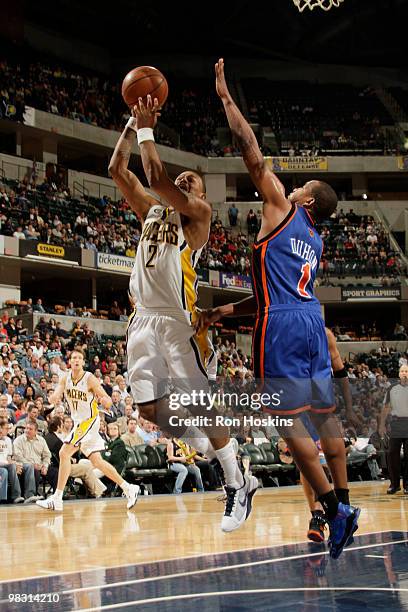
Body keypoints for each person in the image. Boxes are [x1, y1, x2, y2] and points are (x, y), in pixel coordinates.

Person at [198, 59, 360, 558]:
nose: (288, 187)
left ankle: (333, 510)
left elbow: (251, 154)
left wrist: (227, 100)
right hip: (310, 319)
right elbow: (274, 295)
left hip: (285, 328)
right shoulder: (314, 240)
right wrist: (224, 315)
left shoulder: (285, 210)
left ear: (307, 199)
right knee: (325, 419)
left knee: (286, 422)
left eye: (299, 188)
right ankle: (346, 498)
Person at [108, 94, 257, 532]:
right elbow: (118, 171)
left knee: (198, 401)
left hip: (177, 321)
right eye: (185, 177)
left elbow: (154, 174)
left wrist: (148, 127)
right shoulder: (152, 212)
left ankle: (236, 483)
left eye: (193, 180)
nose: (188, 181)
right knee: (151, 412)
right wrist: (131, 126)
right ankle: (221, 452)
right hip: (141, 321)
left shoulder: (197, 216)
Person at [36, 348, 139, 512]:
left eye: (79, 358)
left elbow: (105, 398)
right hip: (78, 422)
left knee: (64, 453)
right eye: (73, 358)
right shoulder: (65, 378)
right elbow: (56, 395)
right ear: (69, 361)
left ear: (83, 362)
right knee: (97, 461)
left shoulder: (89, 378)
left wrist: (104, 401)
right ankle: (128, 488)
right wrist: (53, 399)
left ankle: (57, 498)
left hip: (89, 422)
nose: (76, 360)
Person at [379, 364, 408, 494]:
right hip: (396, 423)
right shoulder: (391, 388)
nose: (404, 373)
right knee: (392, 454)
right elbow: (385, 408)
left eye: (406, 371)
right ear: (398, 374)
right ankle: (394, 484)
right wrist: (381, 424)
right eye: (402, 371)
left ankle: (407, 485)